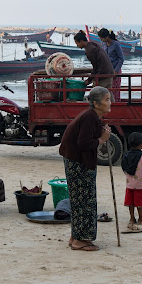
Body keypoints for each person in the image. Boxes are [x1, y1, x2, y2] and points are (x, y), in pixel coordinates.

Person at [59, 86, 112, 251]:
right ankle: (80, 240)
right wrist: (102, 139)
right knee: (84, 199)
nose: (110, 103)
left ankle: (76, 235)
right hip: (77, 162)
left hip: (76, 160)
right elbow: (83, 143)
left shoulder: (93, 117)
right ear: (96, 103)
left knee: (79, 198)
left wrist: (101, 132)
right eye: (107, 99)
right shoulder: (89, 117)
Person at [121, 132, 142, 233]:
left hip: (130, 184)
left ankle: (131, 218)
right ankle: (140, 218)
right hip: (141, 184)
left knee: (131, 202)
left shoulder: (125, 156)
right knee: (140, 203)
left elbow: (123, 168)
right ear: (141, 145)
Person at [97, 28, 124, 102]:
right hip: (107, 70)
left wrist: (116, 70)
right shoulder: (104, 44)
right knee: (107, 89)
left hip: (115, 69)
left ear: (106, 37)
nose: (101, 40)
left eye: (101, 38)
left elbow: (121, 58)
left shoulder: (116, 44)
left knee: (115, 89)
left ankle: (116, 104)